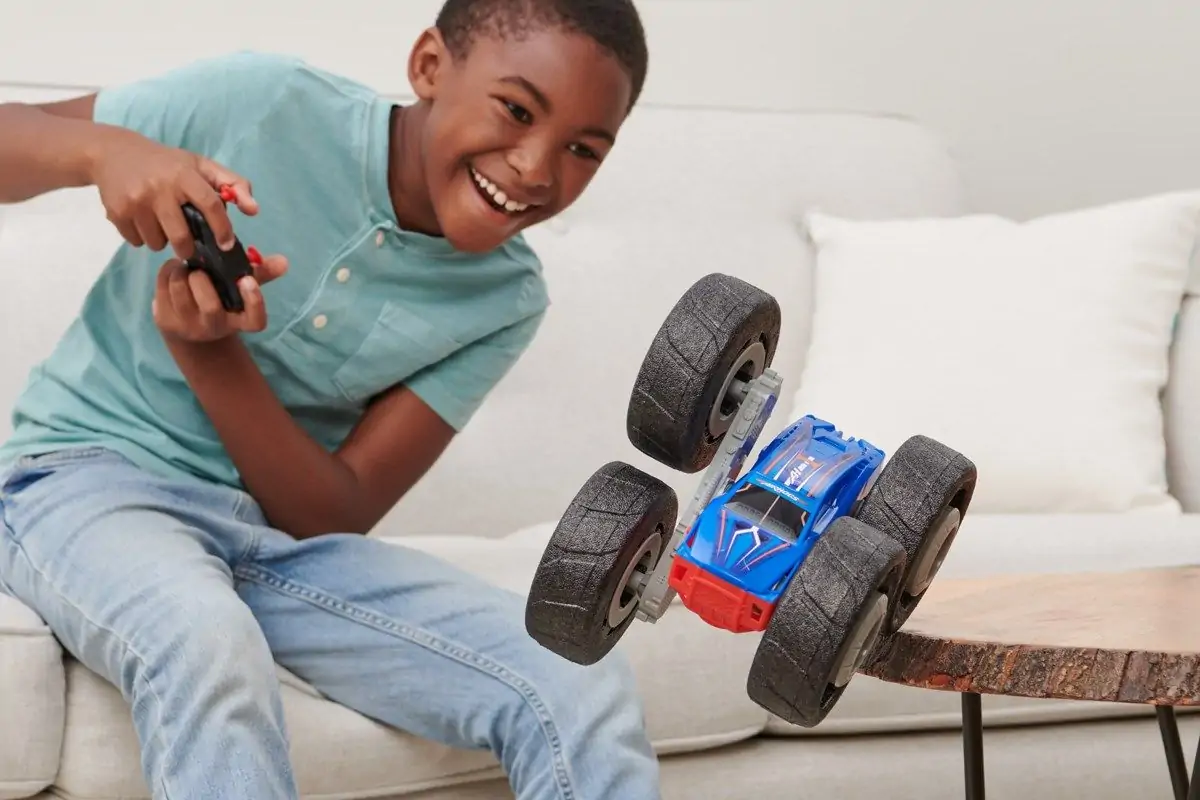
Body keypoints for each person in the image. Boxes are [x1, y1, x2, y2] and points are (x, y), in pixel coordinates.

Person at [0, 0, 657, 798]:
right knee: (205, 637)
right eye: (516, 111)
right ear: (429, 66)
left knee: (577, 677)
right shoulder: (260, 100)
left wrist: (211, 356)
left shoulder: (505, 298)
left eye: (583, 150)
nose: (536, 168)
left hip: (276, 545)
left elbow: (331, 514)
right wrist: (108, 151)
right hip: (82, 486)